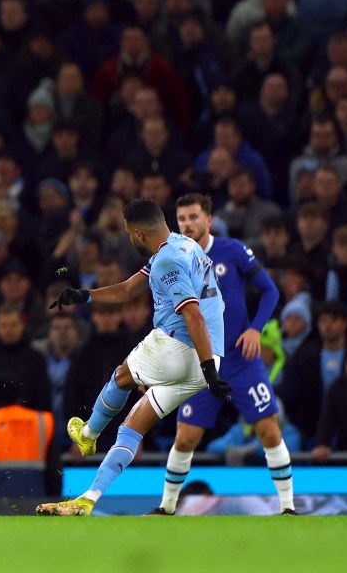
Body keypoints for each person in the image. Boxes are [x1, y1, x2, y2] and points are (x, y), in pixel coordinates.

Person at [36, 198, 230, 516]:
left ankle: (87, 436)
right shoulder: (185, 245)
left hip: (181, 348)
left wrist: (210, 373)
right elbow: (128, 290)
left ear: (138, 234)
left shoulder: (167, 262)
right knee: (132, 427)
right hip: (209, 355)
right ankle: (89, 498)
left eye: (128, 234)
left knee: (121, 377)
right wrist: (84, 296)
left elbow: (192, 314)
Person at [146, 194, 294, 516]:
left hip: (241, 362)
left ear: (208, 219)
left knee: (268, 429)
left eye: (194, 217)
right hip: (200, 364)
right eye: (182, 218)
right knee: (185, 438)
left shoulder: (233, 251)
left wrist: (255, 328)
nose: (188, 224)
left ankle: (288, 507)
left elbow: (270, 291)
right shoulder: (170, 259)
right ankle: (166, 507)